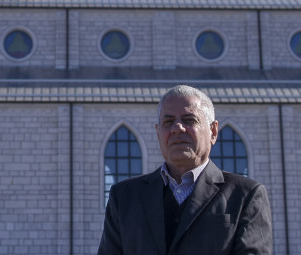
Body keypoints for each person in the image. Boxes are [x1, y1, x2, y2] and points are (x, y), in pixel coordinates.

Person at [97, 85, 272, 255]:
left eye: (189, 120)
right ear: (158, 133)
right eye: (168, 121)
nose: (177, 128)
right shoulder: (124, 197)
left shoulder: (245, 196)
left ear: (213, 131)